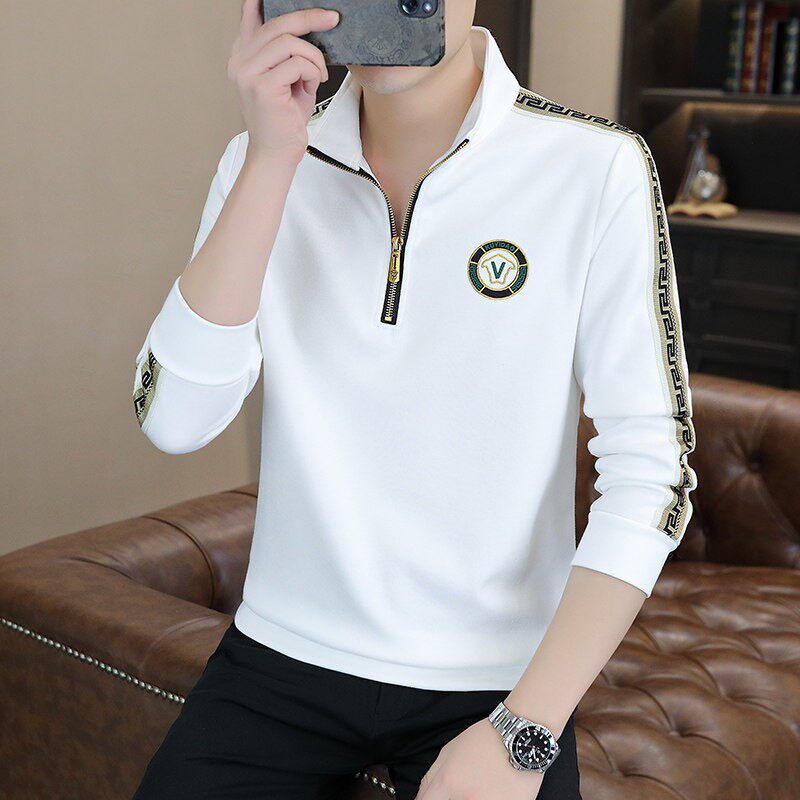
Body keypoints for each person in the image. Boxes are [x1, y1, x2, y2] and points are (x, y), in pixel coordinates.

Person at [131, 1, 697, 798]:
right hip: (280, 657)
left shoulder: (594, 167)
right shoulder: (260, 161)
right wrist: (270, 159)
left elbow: (653, 473)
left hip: (497, 680)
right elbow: (174, 421)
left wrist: (525, 728)